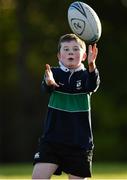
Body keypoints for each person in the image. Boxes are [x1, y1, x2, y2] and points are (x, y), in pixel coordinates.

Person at [32, 33, 100, 180]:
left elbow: (93, 85)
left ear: (83, 56)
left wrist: (91, 65)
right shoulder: (53, 73)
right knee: (38, 177)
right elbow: (46, 88)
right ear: (59, 56)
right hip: (52, 141)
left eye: (76, 49)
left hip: (79, 144)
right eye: (66, 49)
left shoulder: (87, 75)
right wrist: (49, 83)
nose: (71, 52)